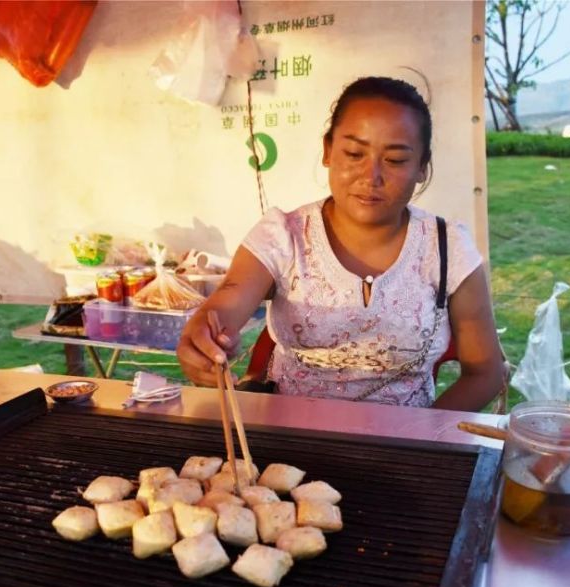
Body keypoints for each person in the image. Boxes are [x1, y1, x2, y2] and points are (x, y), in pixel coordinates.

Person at [177, 76, 504, 410]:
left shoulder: (447, 248)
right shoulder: (284, 235)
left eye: (395, 160)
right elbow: (228, 300)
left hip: (405, 444)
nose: (371, 176)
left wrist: (421, 441)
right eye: (353, 153)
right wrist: (206, 332)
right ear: (328, 151)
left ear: (422, 166)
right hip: (287, 439)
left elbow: (486, 372)